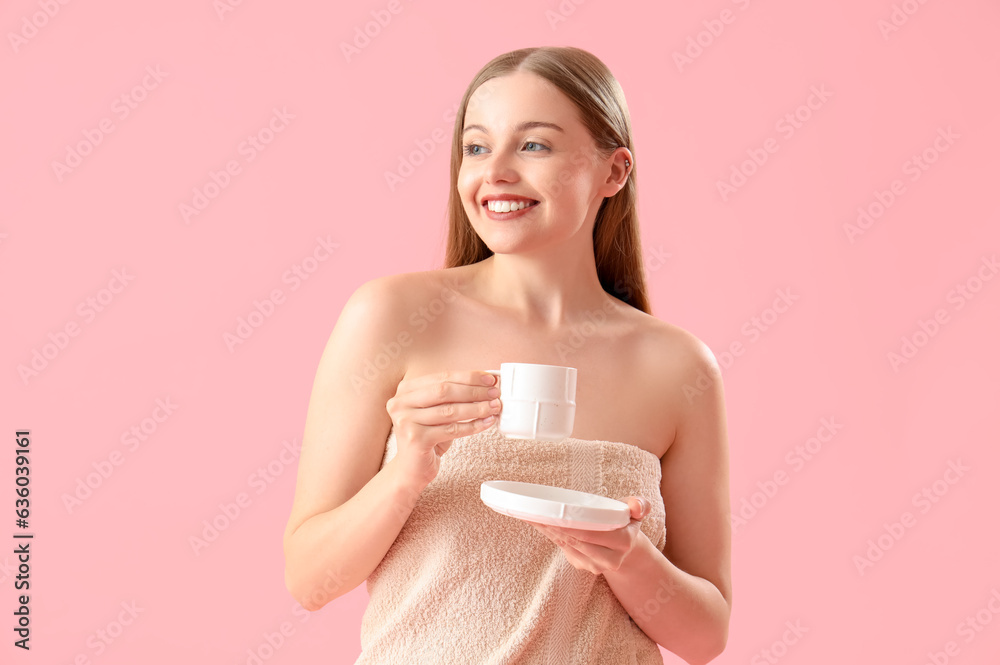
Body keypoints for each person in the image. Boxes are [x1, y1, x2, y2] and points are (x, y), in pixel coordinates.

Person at [282, 46, 732, 665]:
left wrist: (626, 556)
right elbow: (310, 581)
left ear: (614, 172)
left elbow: (706, 637)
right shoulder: (391, 316)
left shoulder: (679, 368)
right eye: (475, 147)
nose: (493, 172)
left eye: (534, 146)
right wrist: (407, 469)